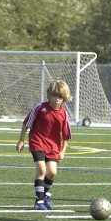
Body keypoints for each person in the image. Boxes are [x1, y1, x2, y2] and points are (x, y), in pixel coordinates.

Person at [16, 79, 72, 210]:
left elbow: (66, 135)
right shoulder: (40, 107)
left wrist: (63, 151)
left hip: (53, 146)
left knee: (52, 173)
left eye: (60, 97)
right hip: (37, 141)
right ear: (49, 95)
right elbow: (26, 123)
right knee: (42, 169)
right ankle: (39, 201)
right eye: (54, 96)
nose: (57, 99)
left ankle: (45, 194)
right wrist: (21, 140)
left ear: (64, 98)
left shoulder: (64, 113)